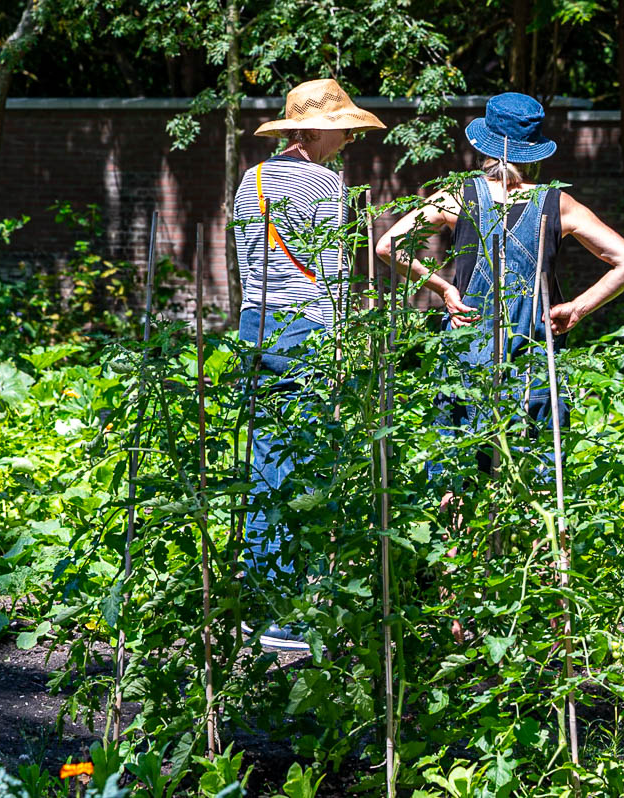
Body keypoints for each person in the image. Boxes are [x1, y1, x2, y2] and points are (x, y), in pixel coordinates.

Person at [375, 90, 624, 517]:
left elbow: (389, 245)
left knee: (456, 469)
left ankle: (454, 574)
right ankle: (533, 564)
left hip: (468, 349)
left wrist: (445, 290)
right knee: (536, 473)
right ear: (533, 150)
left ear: (483, 144)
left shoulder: (457, 196)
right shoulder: (557, 202)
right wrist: (577, 307)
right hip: (533, 355)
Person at [234, 79, 384, 650]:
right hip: (306, 328)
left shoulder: (254, 178)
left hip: (257, 325)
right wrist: (343, 340)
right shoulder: (323, 182)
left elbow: (250, 256)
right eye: (343, 128)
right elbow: (333, 270)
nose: (347, 138)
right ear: (320, 129)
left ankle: (257, 601)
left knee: (265, 459)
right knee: (300, 462)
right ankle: (284, 616)